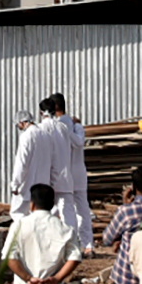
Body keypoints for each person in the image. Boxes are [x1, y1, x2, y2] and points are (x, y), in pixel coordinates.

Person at [2, 182, 83, 284]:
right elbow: (75, 257)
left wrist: (28, 278)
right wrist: (56, 279)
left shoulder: (19, 226)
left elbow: (10, 257)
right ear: (52, 204)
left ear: (32, 204)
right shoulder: (65, 229)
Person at [52, 93, 92, 248]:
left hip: (72, 173)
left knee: (80, 208)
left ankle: (86, 244)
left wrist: (66, 130)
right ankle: (69, 242)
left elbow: (79, 143)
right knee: (63, 209)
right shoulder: (65, 126)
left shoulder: (74, 127)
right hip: (66, 174)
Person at [11, 108, 58, 219]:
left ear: (22, 123)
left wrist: (15, 184)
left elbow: (21, 163)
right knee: (40, 216)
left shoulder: (26, 137)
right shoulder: (46, 135)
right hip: (43, 184)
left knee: (18, 214)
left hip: (27, 185)